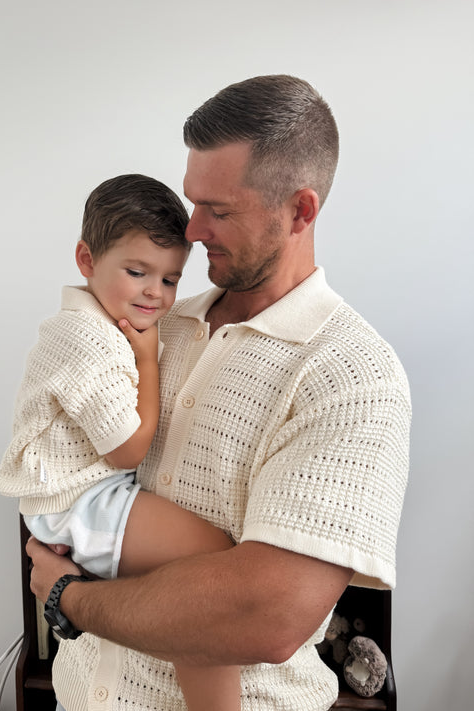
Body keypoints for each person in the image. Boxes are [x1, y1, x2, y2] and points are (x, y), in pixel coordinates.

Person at [27, 75, 411, 711]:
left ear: (301, 211)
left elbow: (266, 615)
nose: (193, 229)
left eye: (220, 210)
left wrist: (68, 598)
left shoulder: (353, 375)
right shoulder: (152, 322)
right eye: (192, 202)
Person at [0, 173, 242, 711]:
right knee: (218, 571)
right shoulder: (83, 337)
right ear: (86, 259)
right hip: (76, 503)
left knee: (205, 584)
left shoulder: (108, 322)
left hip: (88, 496)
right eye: (137, 272)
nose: (156, 293)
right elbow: (128, 448)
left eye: (172, 279)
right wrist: (148, 361)